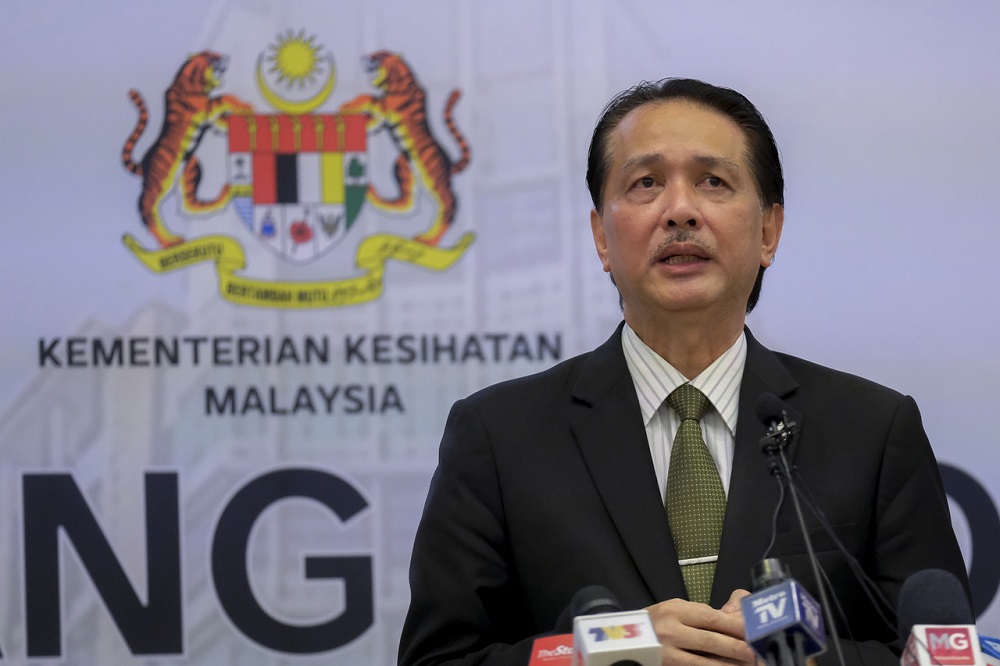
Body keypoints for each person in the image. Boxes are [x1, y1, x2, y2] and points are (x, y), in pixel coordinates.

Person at [397, 78, 968, 665]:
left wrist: (802, 659)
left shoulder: (872, 430)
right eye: (645, 183)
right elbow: (437, 659)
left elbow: (942, 655)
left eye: (713, 182)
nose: (680, 211)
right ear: (601, 237)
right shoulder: (498, 435)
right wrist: (610, 651)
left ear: (769, 231)